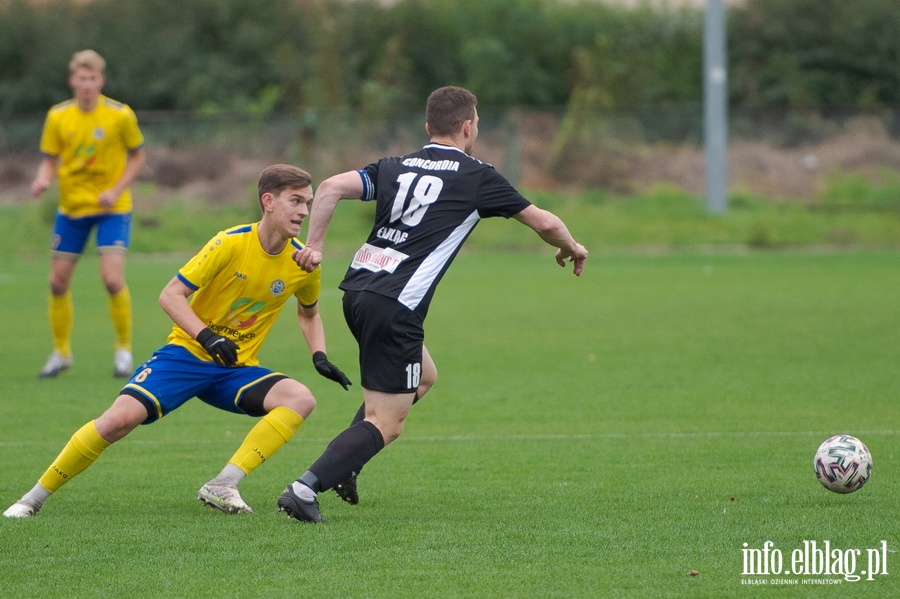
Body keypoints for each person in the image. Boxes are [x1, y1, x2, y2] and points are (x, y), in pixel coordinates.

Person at [277, 86, 588, 522]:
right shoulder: (478, 175)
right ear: (467, 127)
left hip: (359, 292)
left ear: (427, 128)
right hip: (396, 304)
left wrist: (315, 246)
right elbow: (545, 222)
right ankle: (304, 489)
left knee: (423, 377)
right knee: (388, 423)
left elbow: (328, 187)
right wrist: (572, 247)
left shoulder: (395, 165)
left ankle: (346, 463)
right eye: (476, 123)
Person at [4, 164, 352, 518]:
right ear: (268, 201)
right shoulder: (229, 243)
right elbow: (171, 294)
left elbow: (308, 313)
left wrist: (319, 355)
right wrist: (207, 336)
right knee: (115, 422)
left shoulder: (302, 262)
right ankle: (31, 499)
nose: (304, 212)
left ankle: (223, 484)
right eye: (295, 201)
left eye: (308, 203)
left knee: (300, 398)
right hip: (185, 356)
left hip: (234, 369)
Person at [31, 49, 147, 379]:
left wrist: (116, 189)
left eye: (92, 79)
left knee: (111, 279)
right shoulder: (58, 117)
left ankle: (123, 350)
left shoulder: (120, 115)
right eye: (81, 78)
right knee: (56, 282)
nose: (86, 84)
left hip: (112, 209)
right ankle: (61, 352)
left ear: (101, 81)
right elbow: (50, 158)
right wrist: (42, 178)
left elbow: (138, 156)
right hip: (71, 209)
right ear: (72, 81)